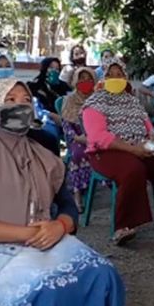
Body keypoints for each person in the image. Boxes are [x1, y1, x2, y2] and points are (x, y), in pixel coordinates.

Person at [0, 77, 124, 306]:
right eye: (10, 100)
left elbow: (69, 207)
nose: (20, 106)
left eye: (25, 100)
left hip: (47, 239)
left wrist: (59, 225)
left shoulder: (45, 154)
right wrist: (26, 233)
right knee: (45, 289)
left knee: (102, 275)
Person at [82, 58, 154, 245]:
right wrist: (133, 150)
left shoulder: (132, 102)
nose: (116, 78)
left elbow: (148, 127)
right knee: (133, 169)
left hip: (139, 146)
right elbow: (98, 136)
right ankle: (123, 226)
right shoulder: (94, 103)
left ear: (126, 78)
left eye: (120, 75)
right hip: (107, 151)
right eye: (111, 75)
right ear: (104, 77)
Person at [61, 67, 97, 211]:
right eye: (81, 78)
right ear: (75, 81)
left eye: (89, 79)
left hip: (96, 136)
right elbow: (66, 125)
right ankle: (77, 196)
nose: (85, 82)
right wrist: (77, 137)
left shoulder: (98, 99)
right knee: (78, 154)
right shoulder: (69, 100)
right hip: (77, 137)